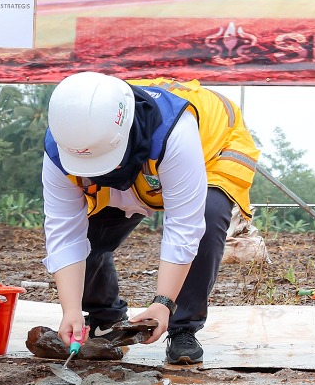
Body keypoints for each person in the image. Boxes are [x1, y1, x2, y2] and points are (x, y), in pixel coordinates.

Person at [42, 74, 258, 364]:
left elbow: (184, 225)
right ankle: (104, 317)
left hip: (209, 153)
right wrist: (70, 310)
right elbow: (64, 233)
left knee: (206, 217)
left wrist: (163, 301)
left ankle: (183, 327)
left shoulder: (173, 131)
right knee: (91, 234)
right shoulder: (64, 144)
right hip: (137, 167)